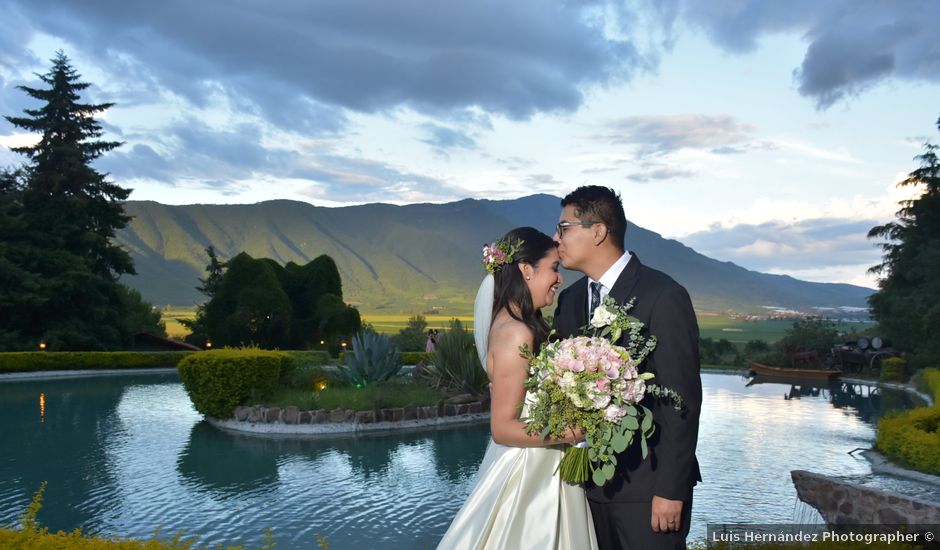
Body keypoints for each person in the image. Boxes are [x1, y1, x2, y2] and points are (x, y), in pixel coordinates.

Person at [551, 186, 702, 550]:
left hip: (647, 490)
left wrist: (670, 490)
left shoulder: (662, 295)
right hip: (583, 489)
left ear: (598, 231)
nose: (556, 239)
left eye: (564, 228)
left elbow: (680, 402)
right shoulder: (570, 301)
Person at [437, 227, 598, 550]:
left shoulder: (518, 324)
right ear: (527, 269)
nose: (559, 278)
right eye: (553, 268)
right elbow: (503, 428)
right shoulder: (516, 333)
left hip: (543, 466)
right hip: (529, 477)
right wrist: (574, 430)